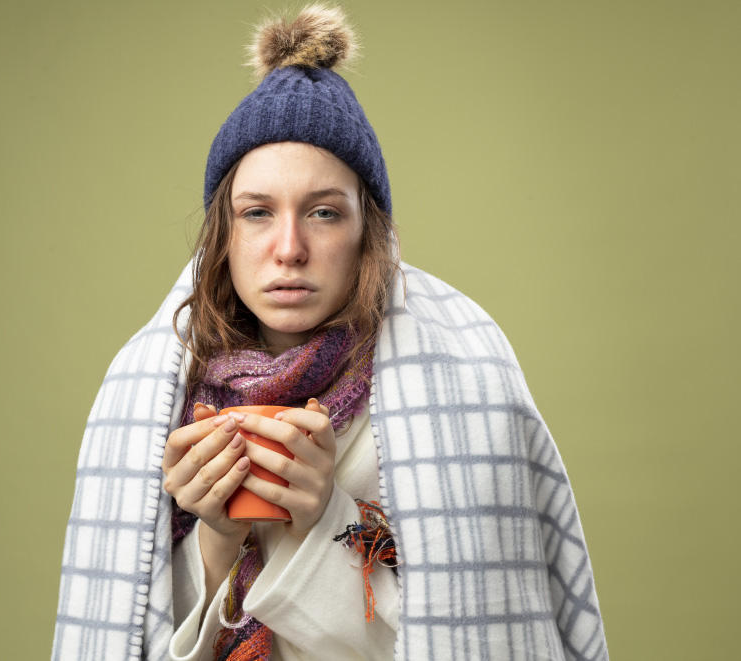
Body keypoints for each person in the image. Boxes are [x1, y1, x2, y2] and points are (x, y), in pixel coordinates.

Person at [52, 5, 607, 661]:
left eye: (322, 212)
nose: (289, 248)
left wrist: (326, 518)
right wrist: (216, 538)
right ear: (223, 236)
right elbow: (120, 634)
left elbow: (470, 637)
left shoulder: (462, 390)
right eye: (257, 212)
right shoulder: (153, 400)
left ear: (368, 233)